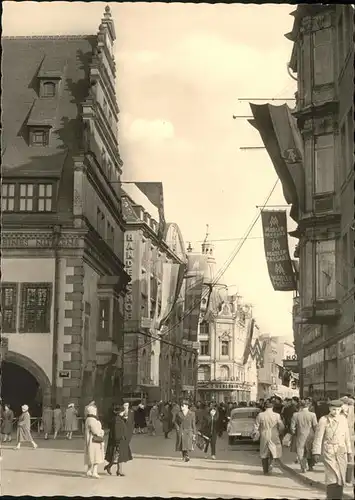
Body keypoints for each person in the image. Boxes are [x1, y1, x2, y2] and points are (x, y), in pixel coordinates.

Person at [312, 399, 352, 500]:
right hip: (329, 450)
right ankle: (330, 497)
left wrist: (349, 452)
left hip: (341, 450)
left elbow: (347, 437)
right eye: (334, 409)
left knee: (341, 476)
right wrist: (316, 452)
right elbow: (318, 437)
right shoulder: (323, 420)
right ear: (329, 409)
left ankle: (338, 496)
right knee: (332, 475)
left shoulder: (343, 419)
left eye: (338, 410)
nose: (336, 412)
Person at [253, 401, 284, 475]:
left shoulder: (260, 415)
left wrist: (255, 433)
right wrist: (280, 432)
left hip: (264, 434)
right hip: (274, 434)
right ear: (272, 407)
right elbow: (281, 426)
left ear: (265, 407)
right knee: (275, 449)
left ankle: (265, 470)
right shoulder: (277, 415)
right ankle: (272, 463)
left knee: (264, 452)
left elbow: (256, 426)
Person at [104, 404, 133, 476]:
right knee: (117, 457)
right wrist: (118, 440)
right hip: (118, 440)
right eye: (122, 411)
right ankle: (115, 469)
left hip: (120, 440)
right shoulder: (117, 419)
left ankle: (116, 469)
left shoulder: (118, 418)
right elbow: (117, 431)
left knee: (118, 457)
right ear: (120, 412)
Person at [290, 400, 318, 473]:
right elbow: (315, 426)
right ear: (308, 406)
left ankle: (303, 467)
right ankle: (311, 466)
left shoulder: (295, 415)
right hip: (311, 434)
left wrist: (294, 433)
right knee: (310, 450)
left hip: (300, 434)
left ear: (300, 406)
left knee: (300, 450)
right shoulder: (313, 415)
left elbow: (292, 427)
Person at [84, 403, 105, 479]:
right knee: (96, 456)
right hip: (94, 441)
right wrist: (102, 432)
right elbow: (96, 431)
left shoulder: (87, 419)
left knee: (90, 456)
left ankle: (89, 471)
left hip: (89, 440)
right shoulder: (92, 420)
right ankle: (94, 472)